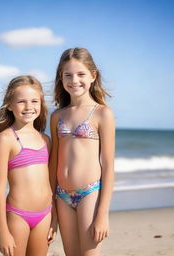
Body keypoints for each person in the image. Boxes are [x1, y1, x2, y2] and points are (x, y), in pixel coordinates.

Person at [49, 48, 115, 256]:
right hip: (62, 196)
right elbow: (53, 163)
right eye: (67, 75)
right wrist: (51, 212)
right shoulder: (57, 116)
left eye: (81, 74)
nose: (74, 80)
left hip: (90, 194)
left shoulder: (102, 114)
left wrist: (102, 214)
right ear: (61, 77)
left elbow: (108, 165)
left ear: (93, 76)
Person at [0, 75, 55, 256]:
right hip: (17, 216)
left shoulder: (46, 140)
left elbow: (51, 184)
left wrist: (54, 220)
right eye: (21, 101)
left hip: (45, 215)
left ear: (41, 104)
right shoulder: (6, 139)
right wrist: (2, 231)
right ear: (10, 105)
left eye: (34, 101)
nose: (29, 107)